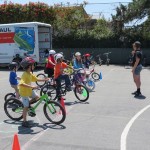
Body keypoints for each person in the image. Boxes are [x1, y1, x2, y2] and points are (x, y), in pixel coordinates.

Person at [19, 57, 49, 127]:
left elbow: (36, 79)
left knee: (37, 97)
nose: (33, 66)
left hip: (29, 91)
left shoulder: (29, 73)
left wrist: (45, 80)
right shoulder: (25, 74)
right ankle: (24, 121)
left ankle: (28, 104)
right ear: (29, 66)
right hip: (24, 93)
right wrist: (32, 87)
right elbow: (21, 83)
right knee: (25, 107)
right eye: (32, 65)